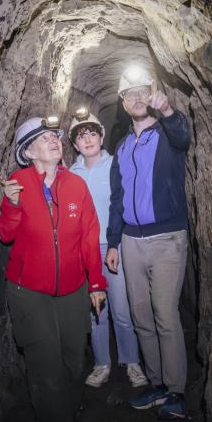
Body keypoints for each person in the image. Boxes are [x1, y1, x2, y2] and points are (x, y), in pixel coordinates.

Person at [0, 116, 106, 422]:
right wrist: (12, 205)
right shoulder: (18, 182)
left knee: (74, 356)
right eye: (44, 139)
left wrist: (96, 283)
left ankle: (68, 408)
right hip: (29, 290)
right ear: (29, 152)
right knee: (45, 359)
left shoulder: (75, 186)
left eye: (55, 137)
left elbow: (89, 236)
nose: (54, 141)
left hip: (73, 287)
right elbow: (5, 235)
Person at [105, 66, 190, 420]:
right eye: (130, 94)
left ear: (151, 98)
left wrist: (168, 111)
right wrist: (113, 242)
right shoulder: (122, 147)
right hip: (131, 241)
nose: (137, 99)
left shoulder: (167, 134)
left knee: (165, 314)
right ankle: (155, 384)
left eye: (143, 93)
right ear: (123, 103)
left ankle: (176, 391)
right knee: (141, 316)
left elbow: (184, 137)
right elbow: (117, 199)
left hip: (168, 238)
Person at [69, 110, 149, 389]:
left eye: (92, 133)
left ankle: (131, 361)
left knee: (121, 309)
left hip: (114, 246)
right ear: (75, 145)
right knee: (96, 311)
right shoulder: (70, 174)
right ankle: (102, 363)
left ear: (102, 137)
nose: (88, 139)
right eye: (81, 135)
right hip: (85, 251)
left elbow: (125, 205)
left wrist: (116, 242)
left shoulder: (117, 164)